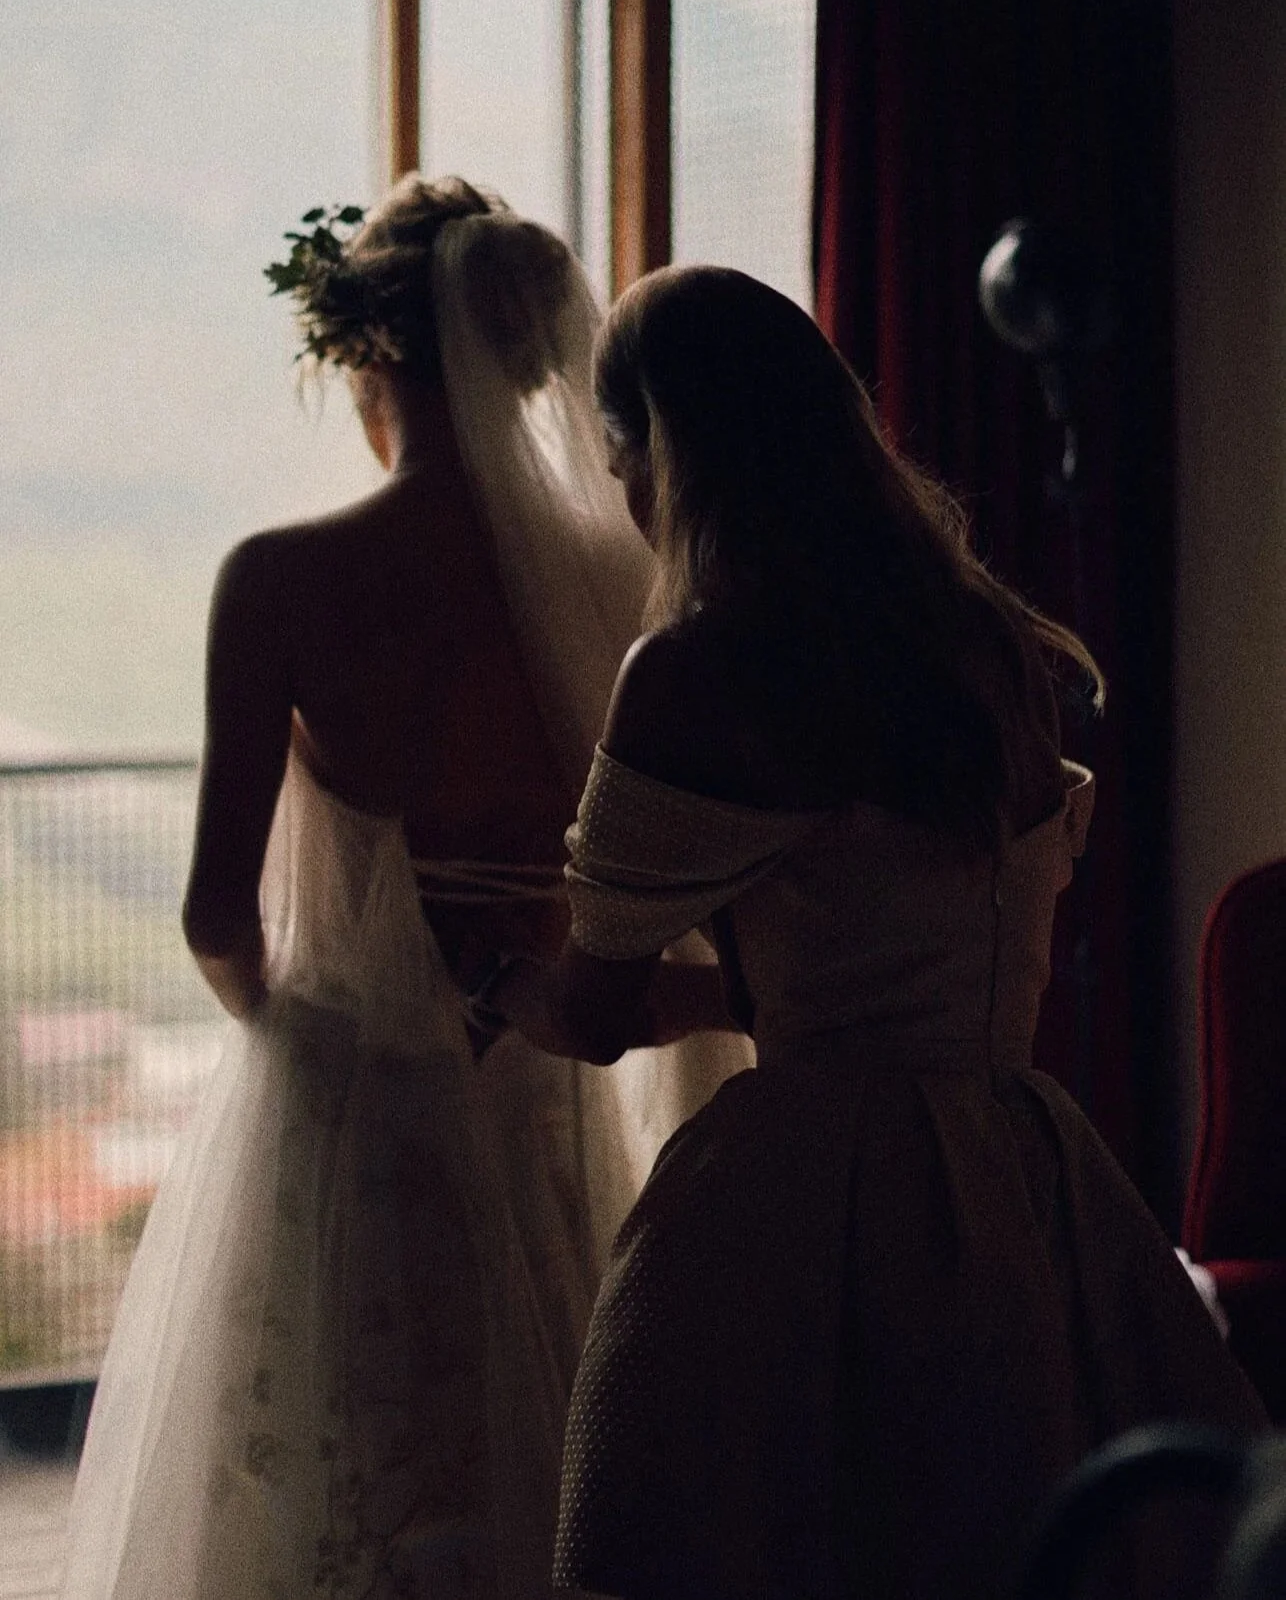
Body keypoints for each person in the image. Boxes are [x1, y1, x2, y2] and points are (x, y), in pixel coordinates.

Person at [539, 265, 1269, 1600]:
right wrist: (745, 994)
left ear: (666, 455)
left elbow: (590, 1013)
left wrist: (492, 963)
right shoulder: (992, 643)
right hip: (1025, 1162)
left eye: (619, 463)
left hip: (808, 1191)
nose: (625, 502)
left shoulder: (699, 667)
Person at [60, 178, 742, 1600]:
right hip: (552, 1079)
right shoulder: (619, 581)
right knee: (552, 1461)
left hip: (363, 1095)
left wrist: (305, 1031)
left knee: (347, 1484)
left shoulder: (283, 580)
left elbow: (213, 920)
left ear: (367, 354)